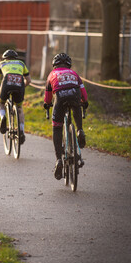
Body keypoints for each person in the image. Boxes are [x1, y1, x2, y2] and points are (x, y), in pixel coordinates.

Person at [43, 52, 89, 180]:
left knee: (57, 127)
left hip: (60, 97)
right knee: (76, 107)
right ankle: (80, 130)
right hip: (75, 94)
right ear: (69, 65)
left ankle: (58, 160)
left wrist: (47, 105)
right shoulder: (74, 74)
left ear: (54, 65)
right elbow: (83, 93)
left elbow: (47, 97)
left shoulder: (52, 74)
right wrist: (84, 102)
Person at [0, 49, 31, 144]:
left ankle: (3, 117)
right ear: (15, 58)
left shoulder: (2, 63)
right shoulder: (21, 63)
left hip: (7, 82)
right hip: (20, 83)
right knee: (19, 108)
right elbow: (29, 80)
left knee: (0, 103)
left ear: (5, 58)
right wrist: (21, 86)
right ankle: (21, 130)